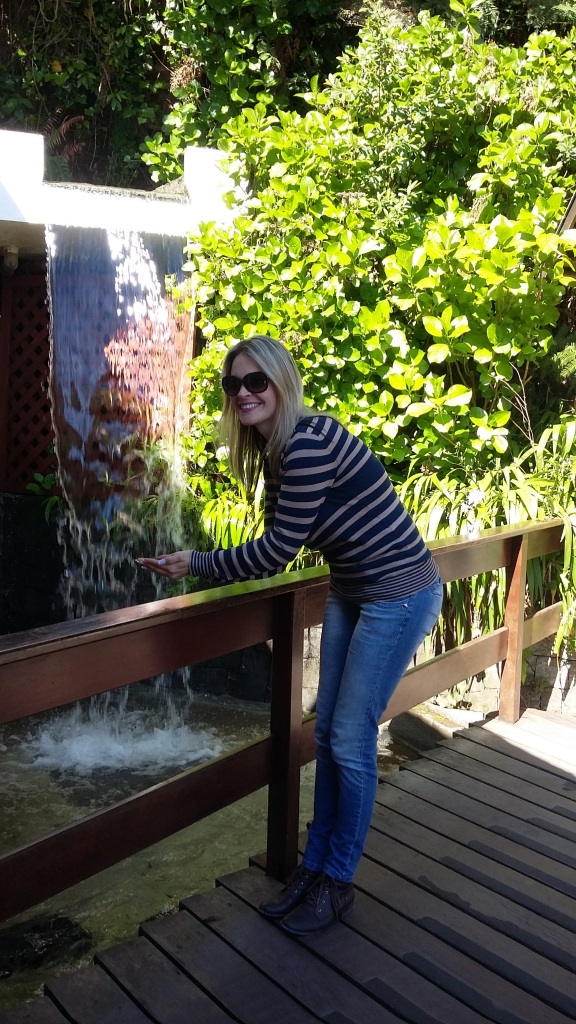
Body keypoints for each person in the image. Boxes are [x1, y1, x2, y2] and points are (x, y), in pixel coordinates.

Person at [137, 334, 443, 936]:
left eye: (256, 381)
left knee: (349, 738)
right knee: (326, 731)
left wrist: (194, 563)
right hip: (352, 590)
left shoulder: (307, 442)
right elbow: (282, 537)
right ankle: (315, 866)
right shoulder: (276, 450)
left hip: (400, 593)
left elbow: (275, 552)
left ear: (281, 382)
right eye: (234, 384)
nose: (244, 393)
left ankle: (338, 880)